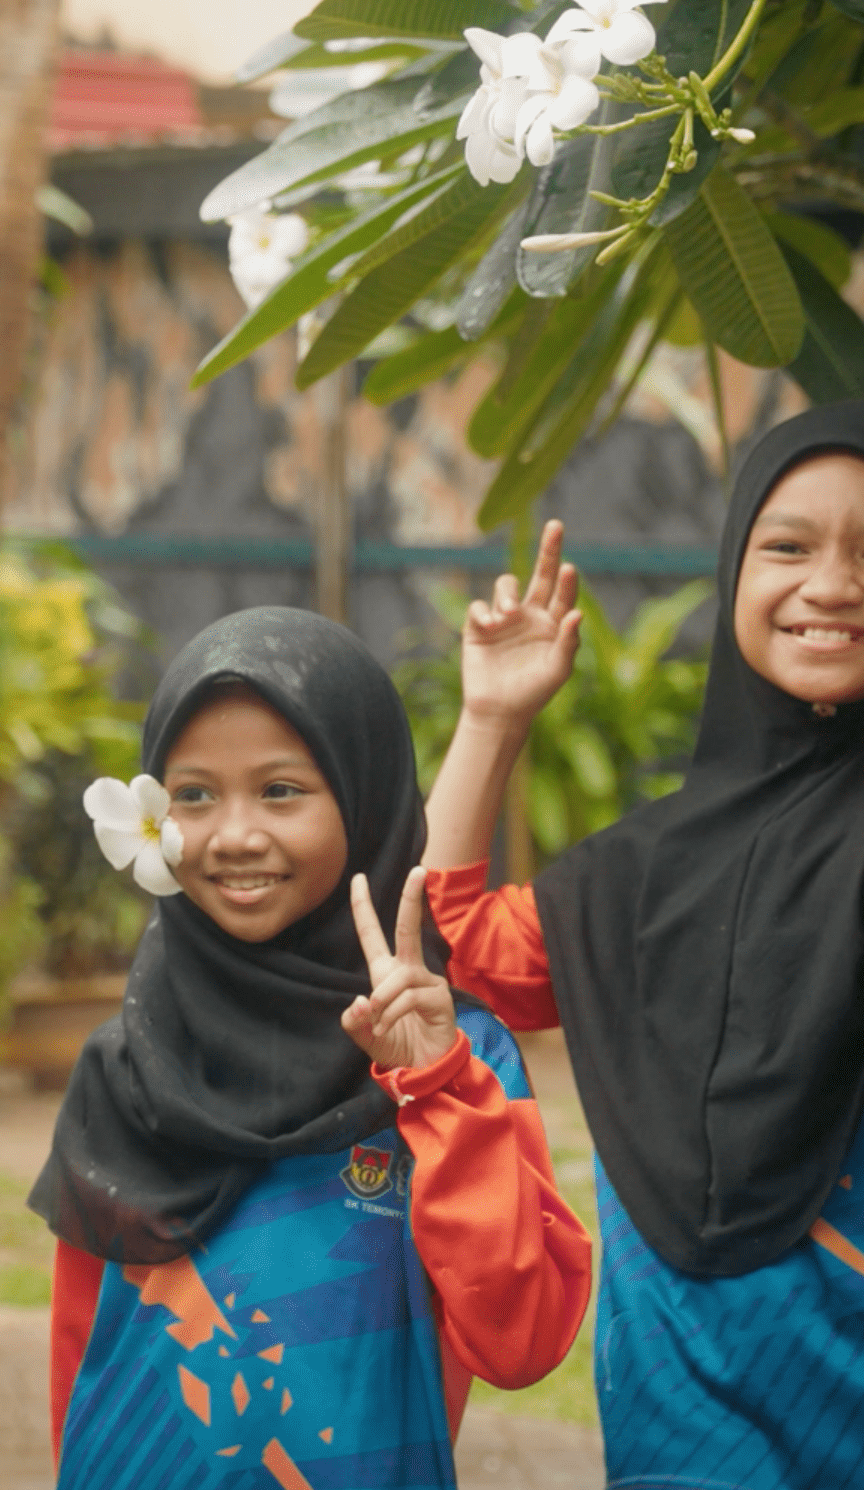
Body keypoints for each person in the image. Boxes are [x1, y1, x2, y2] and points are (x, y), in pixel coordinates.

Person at [421, 402, 864, 1488]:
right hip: (682, 1410)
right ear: (732, 574)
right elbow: (460, 947)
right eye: (785, 546)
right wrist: (489, 721)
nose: (827, 584)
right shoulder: (645, 867)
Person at [30, 608, 590, 1490]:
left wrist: (439, 1088)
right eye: (194, 793)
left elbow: (522, 1338)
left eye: (281, 790)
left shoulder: (455, 1056)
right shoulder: (127, 1057)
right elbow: (83, 1343)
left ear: (363, 800)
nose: (234, 834)